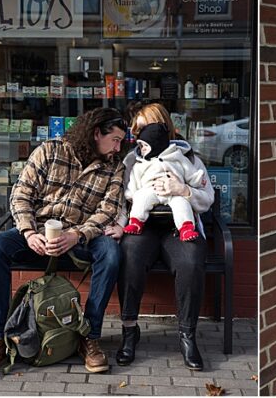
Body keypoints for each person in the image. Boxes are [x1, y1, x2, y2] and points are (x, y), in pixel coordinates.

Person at [0, 108, 127, 376]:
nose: (118, 147)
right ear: (95, 133)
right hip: (39, 235)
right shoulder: (50, 151)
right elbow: (21, 194)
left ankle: (88, 337)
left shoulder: (114, 166)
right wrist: (29, 233)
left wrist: (77, 235)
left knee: (111, 254)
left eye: (120, 141)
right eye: (114, 139)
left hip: (80, 239)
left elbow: (108, 211)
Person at [106, 102, 215, 371]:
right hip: (143, 226)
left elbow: (207, 199)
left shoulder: (187, 157)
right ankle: (130, 331)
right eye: (138, 128)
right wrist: (121, 224)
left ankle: (187, 335)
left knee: (190, 260)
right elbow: (122, 196)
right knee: (129, 255)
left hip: (180, 225)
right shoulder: (132, 159)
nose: (140, 132)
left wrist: (183, 190)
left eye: (146, 126)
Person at [122, 123, 206, 241]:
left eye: (145, 145)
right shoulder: (140, 163)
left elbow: (190, 172)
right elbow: (135, 180)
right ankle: (136, 222)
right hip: (150, 191)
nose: (142, 149)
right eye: (140, 146)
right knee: (141, 197)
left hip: (175, 194)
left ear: (156, 143)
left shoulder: (177, 156)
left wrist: (197, 181)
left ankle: (186, 228)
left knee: (182, 204)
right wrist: (132, 194)